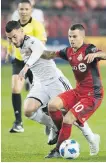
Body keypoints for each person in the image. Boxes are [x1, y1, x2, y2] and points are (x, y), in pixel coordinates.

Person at [5, 21, 102, 150]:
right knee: (28, 110)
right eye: (9, 38)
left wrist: (26, 67)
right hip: (39, 83)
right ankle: (53, 126)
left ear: (22, 32)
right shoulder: (20, 45)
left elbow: (38, 51)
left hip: (55, 81)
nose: (13, 40)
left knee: (70, 114)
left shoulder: (32, 41)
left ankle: (91, 137)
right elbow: (46, 54)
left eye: (14, 37)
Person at [41, 24, 105, 158]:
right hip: (78, 92)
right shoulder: (68, 51)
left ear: (82, 37)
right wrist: (35, 53)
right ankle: (61, 134)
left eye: (74, 36)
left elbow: (104, 55)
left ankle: (58, 150)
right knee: (52, 105)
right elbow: (51, 54)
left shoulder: (89, 49)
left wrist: (96, 54)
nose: (71, 39)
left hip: (93, 95)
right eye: (69, 36)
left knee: (69, 118)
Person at [6, 0, 47, 133]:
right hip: (19, 60)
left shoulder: (37, 25)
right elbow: (9, 38)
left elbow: (42, 41)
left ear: (31, 10)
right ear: (18, 10)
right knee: (15, 88)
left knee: (42, 93)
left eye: (26, 9)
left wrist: (33, 52)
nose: (23, 11)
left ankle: (49, 121)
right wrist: (8, 50)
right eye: (21, 9)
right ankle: (18, 123)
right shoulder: (15, 24)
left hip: (34, 63)